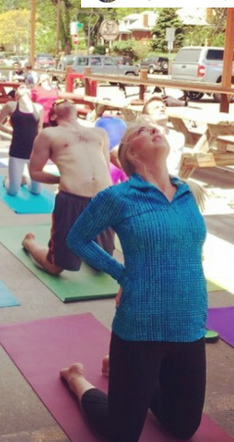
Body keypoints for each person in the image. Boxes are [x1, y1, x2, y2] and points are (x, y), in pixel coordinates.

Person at [61, 122, 208, 442]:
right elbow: (77, 239)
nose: (154, 129)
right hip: (139, 329)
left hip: (189, 326)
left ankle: (125, 373)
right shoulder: (118, 197)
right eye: (142, 130)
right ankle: (77, 381)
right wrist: (122, 274)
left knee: (183, 428)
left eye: (155, 128)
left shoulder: (185, 191)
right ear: (129, 152)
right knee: (122, 434)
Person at [22, 99, 114, 275]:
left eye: (68, 100)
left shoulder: (99, 133)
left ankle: (84, 244)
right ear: (54, 115)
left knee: (102, 264)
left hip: (104, 201)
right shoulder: (49, 134)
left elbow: (105, 168)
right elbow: (35, 172)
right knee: (55, 267)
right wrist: (62, 179)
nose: (65, 101)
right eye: (58, 102)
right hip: (72, 199)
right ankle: (30, 244)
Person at [0, 84, 43, 196]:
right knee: (13, 191)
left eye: (26, 87)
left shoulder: (38, 107)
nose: (24, 88)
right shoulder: (11, 105)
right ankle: (7, 180)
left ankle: (24, 179)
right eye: (21, 87)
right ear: (17, 94)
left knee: (36, 191)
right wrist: (10, 132)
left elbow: (40, 128)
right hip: (17, 150)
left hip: (34, 152)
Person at [142, 96, 185, 175]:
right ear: (147, 118)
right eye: (156, 108)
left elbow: (174, 167)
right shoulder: (143, 138)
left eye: (163, 107)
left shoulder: (178, 137)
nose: (161, 109)